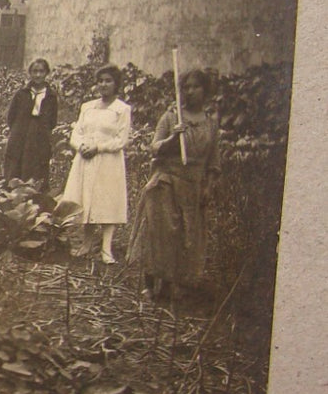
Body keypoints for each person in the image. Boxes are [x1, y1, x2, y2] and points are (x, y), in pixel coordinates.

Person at [130, 69, 221, 300]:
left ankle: (170, 284)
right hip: (166, 181)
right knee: (160, 231)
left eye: (195, 87)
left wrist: (209, 186)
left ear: (206, 90)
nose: (190, 91)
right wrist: (172, 139)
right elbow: (154, 147)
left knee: (183, 235)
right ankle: (149, 284)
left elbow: (213, 161)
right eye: (186, 87)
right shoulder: (172, 117)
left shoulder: (210, 123)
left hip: (193, 186)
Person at [59, 63, 132, 264]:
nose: (103, 84)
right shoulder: (87, 107)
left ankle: (106, 249)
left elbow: (121, 139)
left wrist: (98, 147)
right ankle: (87, 243)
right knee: (86, 201)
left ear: (116, 84)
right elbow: (77, 132)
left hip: (108, 161)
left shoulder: (122, 109)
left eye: (108, 80)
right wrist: (81, 146)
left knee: (107, 201)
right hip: (85, 159)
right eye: (100, 81)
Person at [2, 58, 59, 190]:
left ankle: (34, 196)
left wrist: (41, 129)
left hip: (40, 134)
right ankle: (13, 193)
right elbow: (11, 116)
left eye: (41, 71)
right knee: (16, 162)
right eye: (34, 71)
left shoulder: (51, 96)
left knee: (37, 163)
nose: (38, 75)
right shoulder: (21, 94)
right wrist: (18, 130)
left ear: (46, 73)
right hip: (20, 133)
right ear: (30, 73)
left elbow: (52, 120)